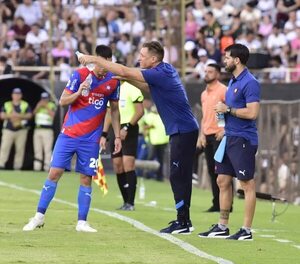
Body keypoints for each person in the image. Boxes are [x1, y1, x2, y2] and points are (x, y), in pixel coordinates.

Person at [78, 40, 199, 234]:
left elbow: (125, 71)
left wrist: (94, 59)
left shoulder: (160, 72)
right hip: (182, 129)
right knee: (178, 175)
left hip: (183, 130)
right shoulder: (163, 71)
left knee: (179, 176)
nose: (139, 59)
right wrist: (126, 79)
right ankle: (183, 219)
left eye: (142, 56)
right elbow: (149, 89)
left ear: (153, 59)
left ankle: (183, 221)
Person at [23, 45, 121, 233]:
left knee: (86, 178)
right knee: (54, 173)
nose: (103, 67)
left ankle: (82, 222)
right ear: (95, 60)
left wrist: (116, 136)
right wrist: (79, 92)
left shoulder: (113, 81)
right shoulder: (80, 75)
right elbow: (62, 101)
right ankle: (39, 217)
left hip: (91, 139)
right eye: (100, 63)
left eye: (107, 63)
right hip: (69, 134)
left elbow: (115, 110)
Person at [198, 43, 260, 241]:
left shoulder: (250, 82)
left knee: (246, 184)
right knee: (222, 180)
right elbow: (226, 110)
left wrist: (228, 111)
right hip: (229, 137)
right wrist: (222, 116)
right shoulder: (233, 81)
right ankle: (222, 226)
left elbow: (252, 112)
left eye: (227, 57)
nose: (224, 60)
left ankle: (246, 230)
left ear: (237, 60)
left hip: (243, 138)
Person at [101, 81, 144, 211]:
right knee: (117, 165)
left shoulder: (133, 89)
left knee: (128, 164)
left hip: (129, 128)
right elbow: (109, 113)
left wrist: (127, 127)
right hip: (115, 129)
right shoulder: (112, 89)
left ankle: (131, 202)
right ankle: (125, 201)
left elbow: (140, 112)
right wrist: (104, 133)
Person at [199, 63, 226, 212]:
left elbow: (227, 111)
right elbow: (205, 116)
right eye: (206, 71)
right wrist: (202, 134)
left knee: (221, 171)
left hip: (219, 135)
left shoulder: (223, 91)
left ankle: (226, 203)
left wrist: (224, 130)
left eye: (210, 72)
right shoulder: (204, 94)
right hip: (208, 134)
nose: (207, 74)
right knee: (211, 170)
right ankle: (217, 203)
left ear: (218, 74)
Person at [0, 88, 32, 170]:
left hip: (21, 130)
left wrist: (18, 116)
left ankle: (17, 166)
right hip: (8, 130)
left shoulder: (25, 104)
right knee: (4, 148)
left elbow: (29, 115)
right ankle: (1, 164)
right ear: (12, 95)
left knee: (20, 149)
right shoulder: (7, 104)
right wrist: (12, 116)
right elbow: (2, 115)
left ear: (21, 95)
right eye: (15, 94)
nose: (16, 96)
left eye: (18, 94)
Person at [33, 92, 57, 171]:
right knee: (37, 150)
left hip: (47, 130)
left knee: (47, 150)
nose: (44, 100)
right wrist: (38, 107)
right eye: (43, 99)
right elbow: (33, 114)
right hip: (38, 129)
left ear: (48, 99)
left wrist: (46, 106)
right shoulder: (38, 105)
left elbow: (53, 115)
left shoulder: (51, 105)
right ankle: (37, 167)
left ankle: (47, 167)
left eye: (45, 99)